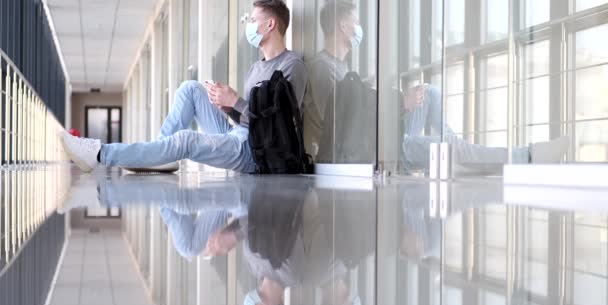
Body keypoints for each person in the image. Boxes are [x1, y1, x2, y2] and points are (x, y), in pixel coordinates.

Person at [305, 0, 570, 174]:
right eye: (356, 22)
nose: (360, 27)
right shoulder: (322, 67)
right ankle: (527, 157)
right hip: (366, 151)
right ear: (342, 25)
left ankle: (452, 148)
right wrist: (399, 103)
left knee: (429, 93)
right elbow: (345, 127)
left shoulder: (340, 67)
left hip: (375, 139)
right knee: (444, 146)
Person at [60, 0, 308, 174]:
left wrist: (236, 102)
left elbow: (279, 127)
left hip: (257, 153)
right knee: (191, 88)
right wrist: (226, 107)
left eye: (254, 20)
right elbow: (249, 119)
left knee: (185, 140)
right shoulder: (256, 68)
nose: (250, 25)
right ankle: (159, 157)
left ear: (271, 24)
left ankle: (100, 153)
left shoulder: (291, 65)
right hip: (242, 135)